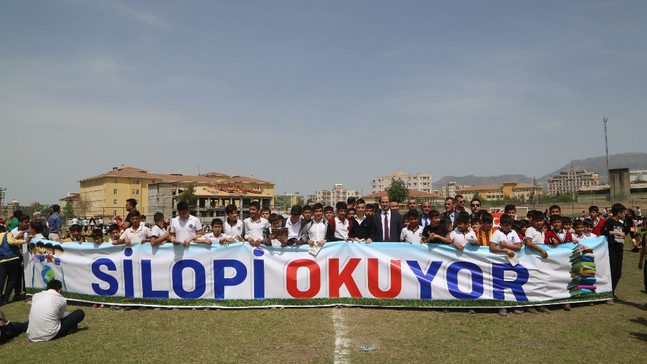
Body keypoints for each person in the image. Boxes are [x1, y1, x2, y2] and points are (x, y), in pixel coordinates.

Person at [601, 203, 630, 299]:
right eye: (624, 212)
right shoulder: (609, 222)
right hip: (611, 250)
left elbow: (627, 231)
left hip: (619, 250)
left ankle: (612, 292)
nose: (625, 214)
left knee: (618, 273)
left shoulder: (621, 223)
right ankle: (608, 292)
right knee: (612, 271)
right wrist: (616, 232)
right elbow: (603, 231)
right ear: (619, 213)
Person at [0, 228, 26, 306]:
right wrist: (25, 241)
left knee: (1, 280)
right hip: (13, 258)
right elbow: (11, 241)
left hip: (1, 260)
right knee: (11, 279)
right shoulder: (8, 234)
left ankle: (0, 298)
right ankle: (6, 298)